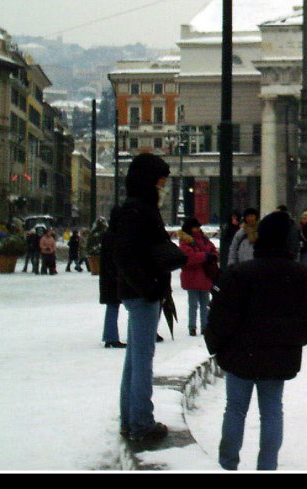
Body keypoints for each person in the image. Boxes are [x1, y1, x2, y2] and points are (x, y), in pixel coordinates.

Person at [204, 210, 307, 471]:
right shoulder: (303, 277)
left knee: (235, 410)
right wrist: (291, 341)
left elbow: (220, 317)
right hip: (278, 358)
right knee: (271, 411)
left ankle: (227, 463)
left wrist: (216, 345)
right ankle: (267, 466)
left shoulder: (240, 274)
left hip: (239, 355)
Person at [112, 152, 186, 444]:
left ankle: (129, 419)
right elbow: (127, 256)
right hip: (143, 293)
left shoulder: (133, 209)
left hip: (138, 292)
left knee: (133, 361)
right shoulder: (139, 211)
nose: (163, 187)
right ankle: (142, 423)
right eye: (160, 181)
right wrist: (150, 288)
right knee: (142, 361)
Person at [178, 217, 219, 337]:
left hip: (204, 276)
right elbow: (189, 258)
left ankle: (204, 326)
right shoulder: (185, 241)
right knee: (194, 304)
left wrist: (212, 256)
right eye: (195, 227)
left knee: (204, 304)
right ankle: (193, 327)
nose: (198, 229)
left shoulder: (203, 239)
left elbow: (213, 251)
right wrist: (207, 256)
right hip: (194, 276)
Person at [97, 217, 125, 349]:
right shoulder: (117, 237)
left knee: (112, 307)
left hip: (108, 277)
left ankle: (110, 336)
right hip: (115, 277)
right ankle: (112, 337)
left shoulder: (108, 236)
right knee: (114, 306)